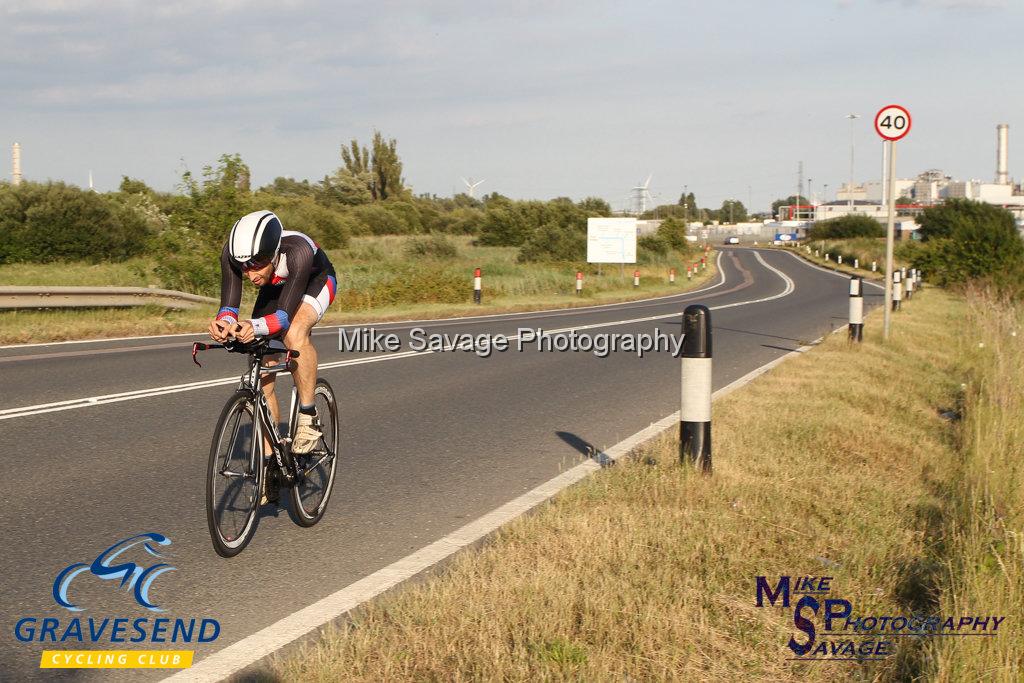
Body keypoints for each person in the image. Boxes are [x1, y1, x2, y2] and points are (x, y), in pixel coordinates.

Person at [208, 210, 337, 455]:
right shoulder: (233, 254)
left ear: (273, 253)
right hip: (275, 288)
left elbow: (283, 318)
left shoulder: (297, 250)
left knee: (294, 333)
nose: (250, 274)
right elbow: (229, 305)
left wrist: (253, 325)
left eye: (256, 265)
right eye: (244, 267)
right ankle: (270, 460)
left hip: (315, 281)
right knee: (261, 361)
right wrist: (224, 324)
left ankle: (308, 414)